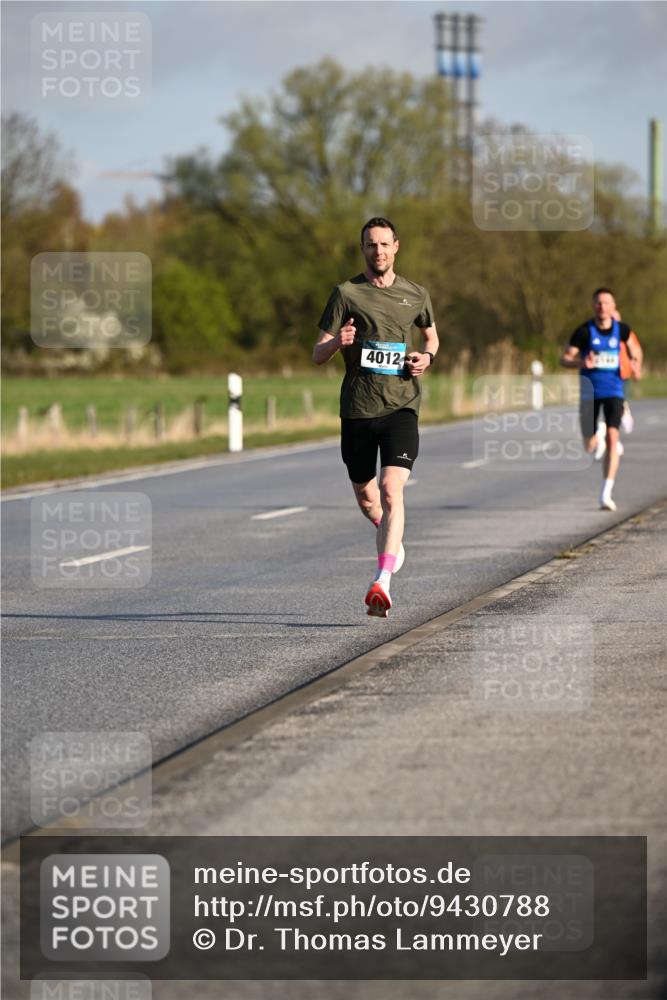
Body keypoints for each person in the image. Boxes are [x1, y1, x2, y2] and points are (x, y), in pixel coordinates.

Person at [313, 217, 439, 617]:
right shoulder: (346, 293)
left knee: (391, 488)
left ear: (396, 247)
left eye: (384, 244)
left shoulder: (415, 294)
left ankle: (382, 581)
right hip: (357, 410)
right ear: (362, 248)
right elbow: (317, 354)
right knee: (369, 500)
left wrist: (427, 357)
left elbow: (431, 336)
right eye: (371, 245)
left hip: (402, 406)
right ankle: (390, 537)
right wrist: (338, 342)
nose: (378, 251)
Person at [560, 288, 641, 511]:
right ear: (593, 306)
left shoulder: (622, 330)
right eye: (598, 303)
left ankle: (606, 493)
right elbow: (564, 359)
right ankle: (599, 436)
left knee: (615, 441)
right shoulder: (584, 332)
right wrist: (580, 363)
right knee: (589, 445)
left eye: (606, 303)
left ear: (613, 306)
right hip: (589, 393)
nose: (602, 307)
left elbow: (634, 350)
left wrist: (634, 364)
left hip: (614, 391)